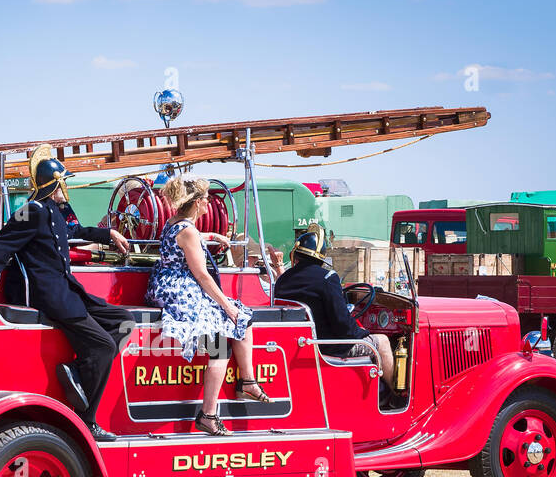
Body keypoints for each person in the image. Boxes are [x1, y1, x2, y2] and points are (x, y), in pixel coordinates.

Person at [0, 144, 133, 443]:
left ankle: (79, 370)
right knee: (104, 346)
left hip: (66, 290)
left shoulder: (54, 209)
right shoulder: (31, 211)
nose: (65, 187)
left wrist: (108, 234)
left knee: (122, 319)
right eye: (62, 181)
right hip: (47, 295)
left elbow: (75, 231)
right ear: (53, 184)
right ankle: (87, 420)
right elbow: (1, 246)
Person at [146, 177, 268, 436]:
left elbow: (191, 239)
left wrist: (214, 236)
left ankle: (247, 381)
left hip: (166, 285)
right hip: (181, 291)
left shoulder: (175, 224)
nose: (209, 202)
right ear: (197, 203)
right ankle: (209, 414)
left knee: (242, 319)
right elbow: (201, 275)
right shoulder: (188, 231)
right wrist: (227, 307)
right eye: (205, 199)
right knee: (225, 340)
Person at [274, 229, 397, 402]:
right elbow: (342, 325)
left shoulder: (283, 280)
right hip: (329, 346)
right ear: (320, 257)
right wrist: (363, 334)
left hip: (298, 347)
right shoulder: (327, 278)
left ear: (296, 255)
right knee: (382, 341)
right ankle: (397, 397)